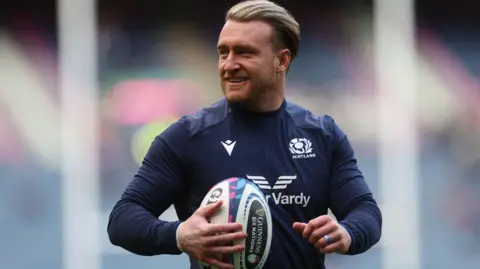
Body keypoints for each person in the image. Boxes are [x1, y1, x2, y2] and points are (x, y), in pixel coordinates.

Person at [107, 1, 382, 268]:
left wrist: (347, 233)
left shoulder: (322, 135)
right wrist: (178, 235)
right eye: (223, 52)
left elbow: (365, 211)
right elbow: (123, 219)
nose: (229, 64)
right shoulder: (186, 137)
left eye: (244, 52)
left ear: (282, 60)